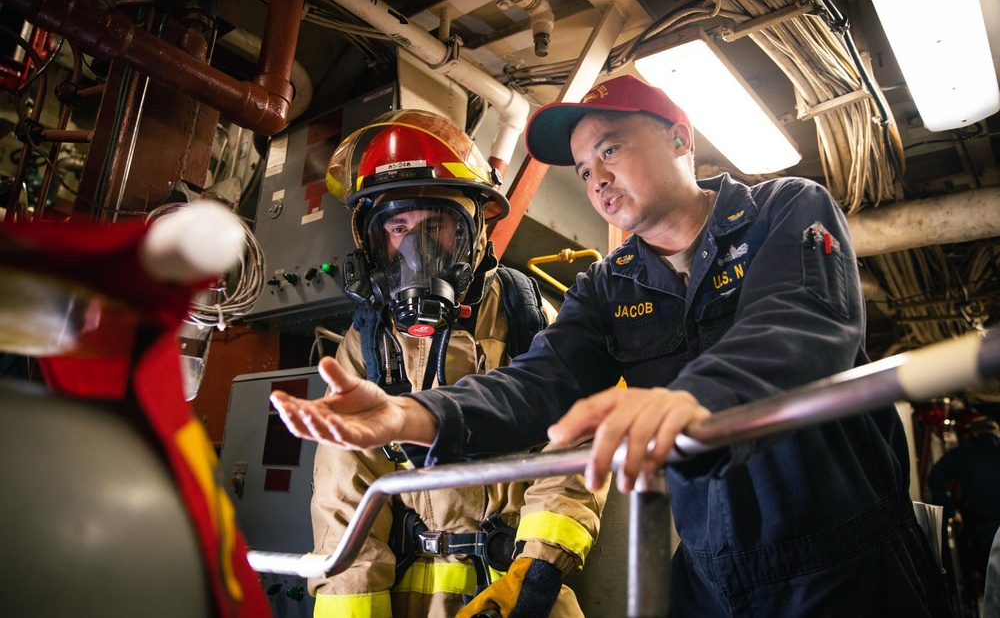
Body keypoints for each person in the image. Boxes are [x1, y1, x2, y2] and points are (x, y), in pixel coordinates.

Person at [273, 75, 951, 617]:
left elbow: (800, 324)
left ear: (680, 137)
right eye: (582, 165)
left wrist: (690, 399)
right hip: (715, 575)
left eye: (610, 148)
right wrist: (418, 417)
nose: (593, 177)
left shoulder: (785, 210)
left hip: (846, 559)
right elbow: (539, 381)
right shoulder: (608, 284)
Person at [308, 109, 606, 617]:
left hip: (518, 590)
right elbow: (345, 499)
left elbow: (575, 452)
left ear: (476, 231)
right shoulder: (367, 344)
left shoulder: (531, 319)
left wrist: (536, 573)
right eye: (399, 226)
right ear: (375, 242)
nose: (417, 248)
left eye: (437, 224)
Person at [929, 416, 1000, 603]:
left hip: (983, 526)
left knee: (993, 580)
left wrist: (952, 511)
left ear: (974, 433)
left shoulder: (962, 453)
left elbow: (936, 478)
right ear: (997, 432)